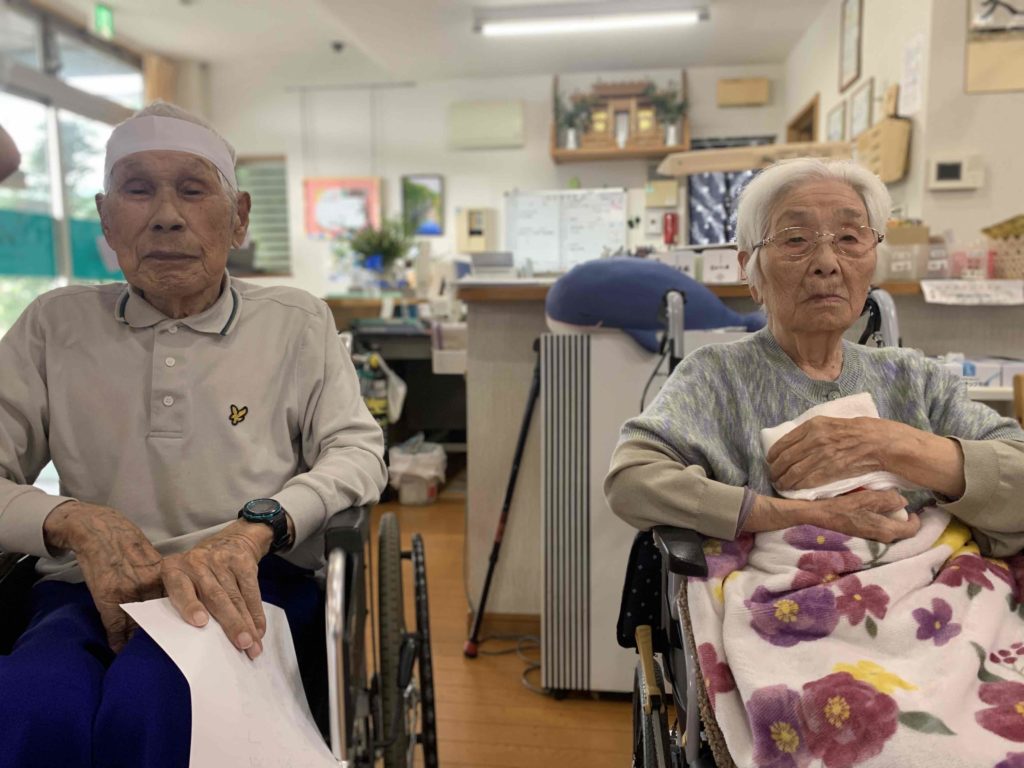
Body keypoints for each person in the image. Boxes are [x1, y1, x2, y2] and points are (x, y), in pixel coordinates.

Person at [0, 102, 387, 768]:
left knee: (155, 703)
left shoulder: (294, 321)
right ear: (106, 218)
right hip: (86, 586)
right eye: (138, 189)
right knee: (33, 704)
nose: (166, 215)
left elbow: (357, 452)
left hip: (249, 584)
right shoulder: (53, 324)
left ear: (238, 217)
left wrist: (258, 526)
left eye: (192, 189)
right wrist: (71, 520)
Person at [606, 156, 1024, 553]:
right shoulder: (717, 376)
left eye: (849, 238)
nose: (827, 262)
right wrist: (803, 515)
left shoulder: (916, 378)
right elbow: (633, 481)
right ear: (751, 271)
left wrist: (890, 445)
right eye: (796, 240)